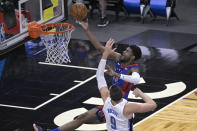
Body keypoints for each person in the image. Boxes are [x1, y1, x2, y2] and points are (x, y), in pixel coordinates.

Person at [96, 39, 157, 130]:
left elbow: (99, 76)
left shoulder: (106, 100)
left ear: (109, 94)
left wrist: (105, 54)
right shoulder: (127, 108)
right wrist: (141, 94)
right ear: (122, 94)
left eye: (127, 51)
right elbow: (153, 105)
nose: (124, 52)